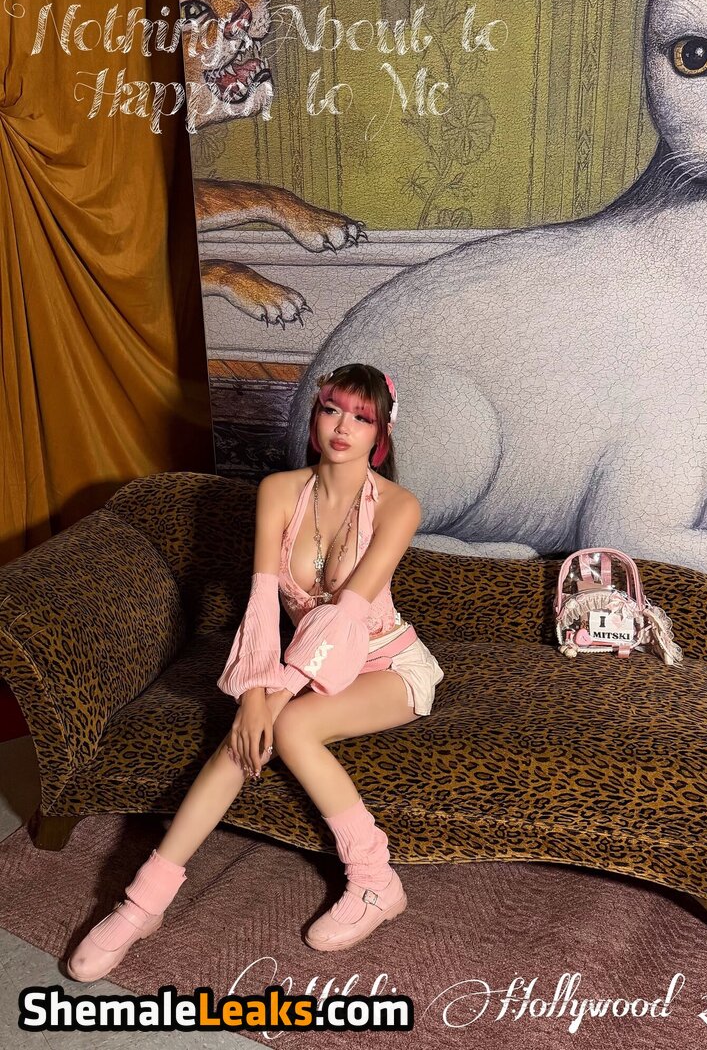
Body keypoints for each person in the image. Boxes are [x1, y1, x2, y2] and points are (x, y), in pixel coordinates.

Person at [66, 363, 444, 981]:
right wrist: (251, 695)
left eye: (361, 417)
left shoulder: (399, 507)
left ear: (381, 433)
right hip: (304, 659)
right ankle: (141, 905)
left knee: (287, 726)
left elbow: (346, 619)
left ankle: (377, 881)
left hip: (386, 662)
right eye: (332, 410)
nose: (342, 427)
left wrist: (272, 698)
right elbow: (263, 604)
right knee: (242, 740)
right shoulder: (278, 490)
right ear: (315, 417)